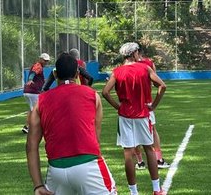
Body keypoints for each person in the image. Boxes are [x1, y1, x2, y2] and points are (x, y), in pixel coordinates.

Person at [26, 52, 117, 195]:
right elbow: (95, 136)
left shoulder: (41, 100)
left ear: (55, 75)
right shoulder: (92, 95)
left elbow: (31, 146)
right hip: (88, 166)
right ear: (77, 74)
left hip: (56, 171)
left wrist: (38, 185)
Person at [102, 42, 168, 195]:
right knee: (149, 149)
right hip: (143, 114)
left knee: (128, 153)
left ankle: (134, 192)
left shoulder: (117, 72)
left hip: (125, 116)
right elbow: (162, 86)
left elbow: (105, 92)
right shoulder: (145, 68)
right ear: (134, 53)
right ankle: (157, 189)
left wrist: (118, 106)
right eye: (138, 52)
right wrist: (154, 105)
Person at [134, 47, 169, 170]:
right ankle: (158, 159)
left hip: (130, 105)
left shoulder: (124, 67)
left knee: (133, 133)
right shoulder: (148, 63)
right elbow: (157, 84)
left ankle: (140, 162)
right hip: (146, 103)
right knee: (152, 131)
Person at [22, 52, 51, 134]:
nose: (46, 62)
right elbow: (33, 73)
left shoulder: (38, 66)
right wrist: (31, 79)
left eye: (47, 61)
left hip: (27, 91)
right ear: (40, 59)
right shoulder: (38, 66)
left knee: (32, 109)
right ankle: (38, 127)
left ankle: (26, 127)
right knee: (38, 110)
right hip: (33, 92)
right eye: (45, 60)